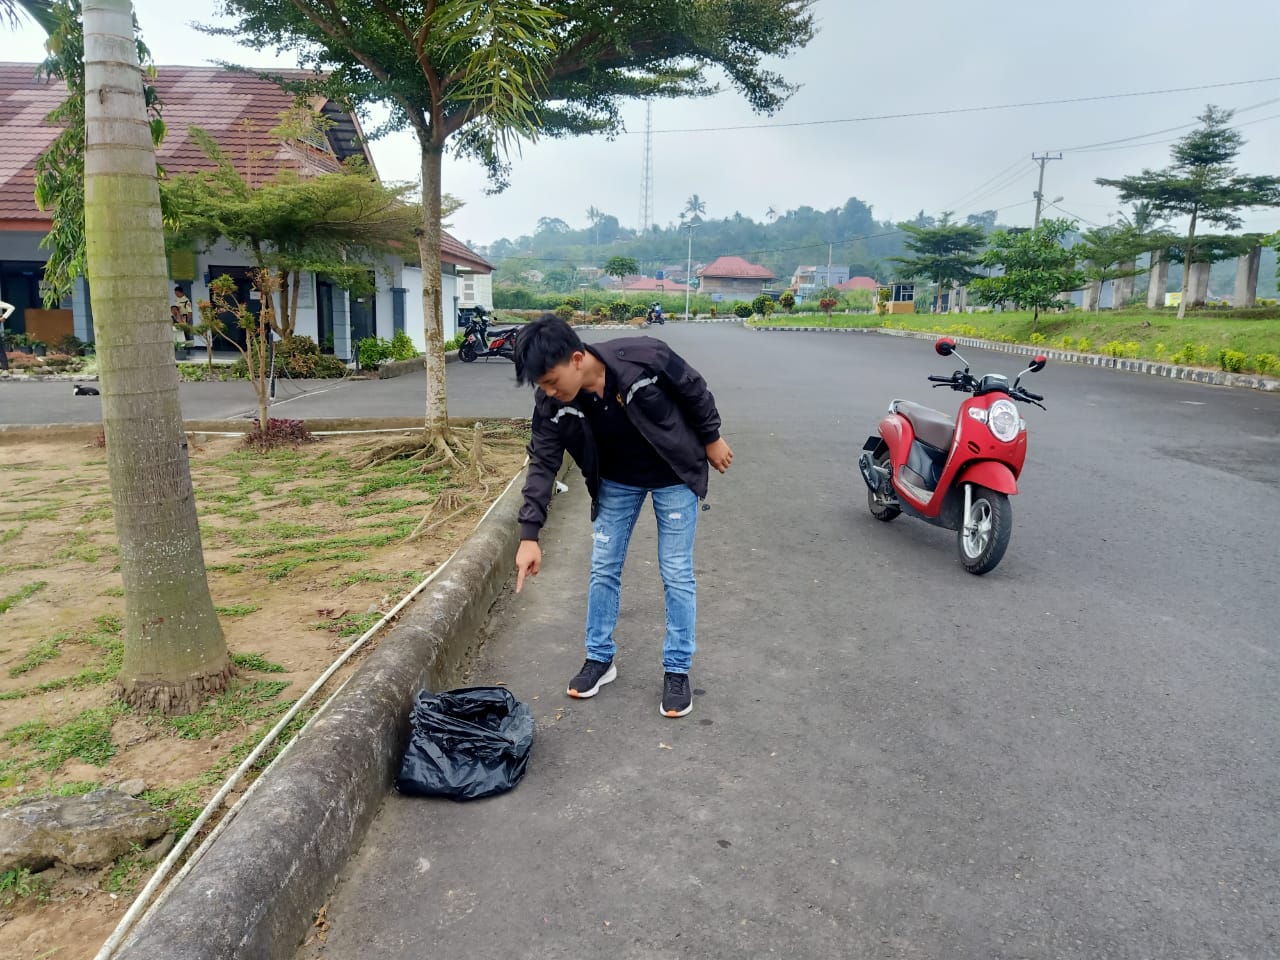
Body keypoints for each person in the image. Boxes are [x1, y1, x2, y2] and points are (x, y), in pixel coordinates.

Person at [513, 315, 733, 718]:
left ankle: (677, 669)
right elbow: (542, 463)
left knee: (676, 571)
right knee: (603, 568)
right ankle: (599, 659)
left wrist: (712, 438)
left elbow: (693, 389)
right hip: (616, 482)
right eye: (540, 385)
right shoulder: (552, 404)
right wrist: (530, 535)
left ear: (577, 358)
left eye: (550, 379)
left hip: (673, 474)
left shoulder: (645, 358)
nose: (547, 391)